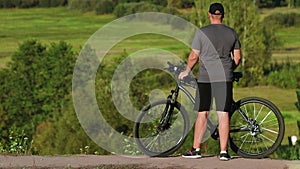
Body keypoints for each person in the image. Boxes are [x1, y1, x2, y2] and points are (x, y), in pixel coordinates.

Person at [179, 2, 242, 161]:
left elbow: (194, 56)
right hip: (224, 77)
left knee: (203, 112)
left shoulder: (202, 32)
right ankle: (223, 152)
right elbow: (238, 57)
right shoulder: (231, 33)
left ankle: (196, 149)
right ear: (223, 15)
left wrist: (186, 71)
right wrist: (229, 69)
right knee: (223, 113)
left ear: (209, 15)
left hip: (206, 78)